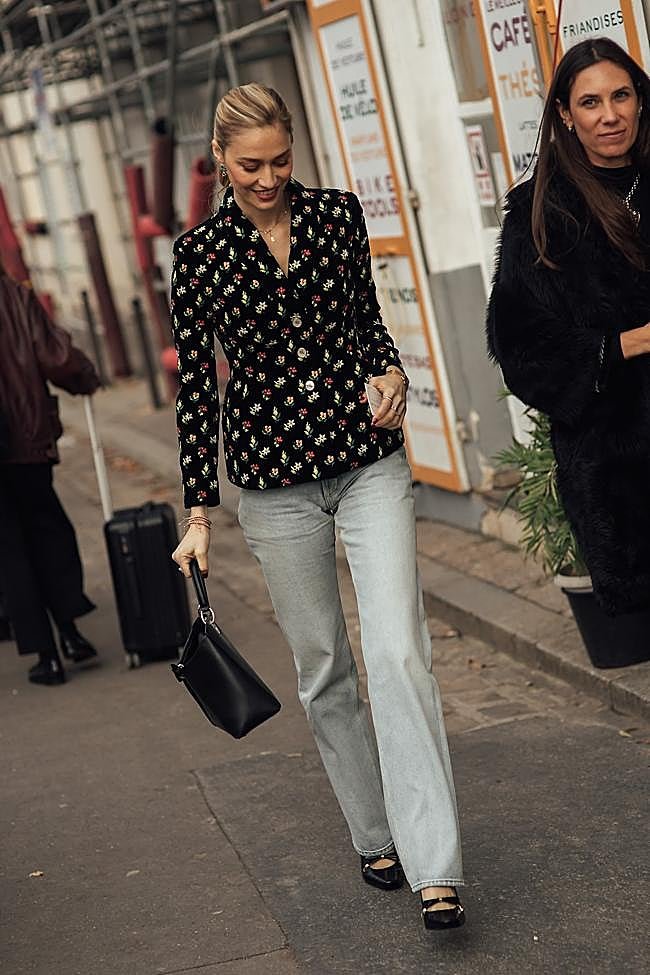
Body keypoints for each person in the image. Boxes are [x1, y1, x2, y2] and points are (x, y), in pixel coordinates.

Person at [171, 83, 465, 929]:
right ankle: (374, 831)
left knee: (399, 652)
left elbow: (367, 323)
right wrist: (199, 514)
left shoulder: (337, 215)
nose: (268, 179)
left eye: (280, 160)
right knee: (325, 666)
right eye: (250, 166)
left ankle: (436, 865)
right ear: (220, 160)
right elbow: (197, 390)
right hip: (273, 487)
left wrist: (392, 371)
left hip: (367, 459)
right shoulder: (198, 257)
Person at [488, 38, 650, 623]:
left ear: (639, 100)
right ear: (564, 114)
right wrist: (630, 343)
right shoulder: (542, 214)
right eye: (590, 102)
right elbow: (521, 352)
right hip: (623, 472)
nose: (609, 115)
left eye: (621, 96)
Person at [0, 260, 101, 685]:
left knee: (9, 549)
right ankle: (71, 633)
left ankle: (46, 656)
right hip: (28, 439)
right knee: (47, 529)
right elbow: (55, 357)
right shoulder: (15, 296)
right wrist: (85, 377)